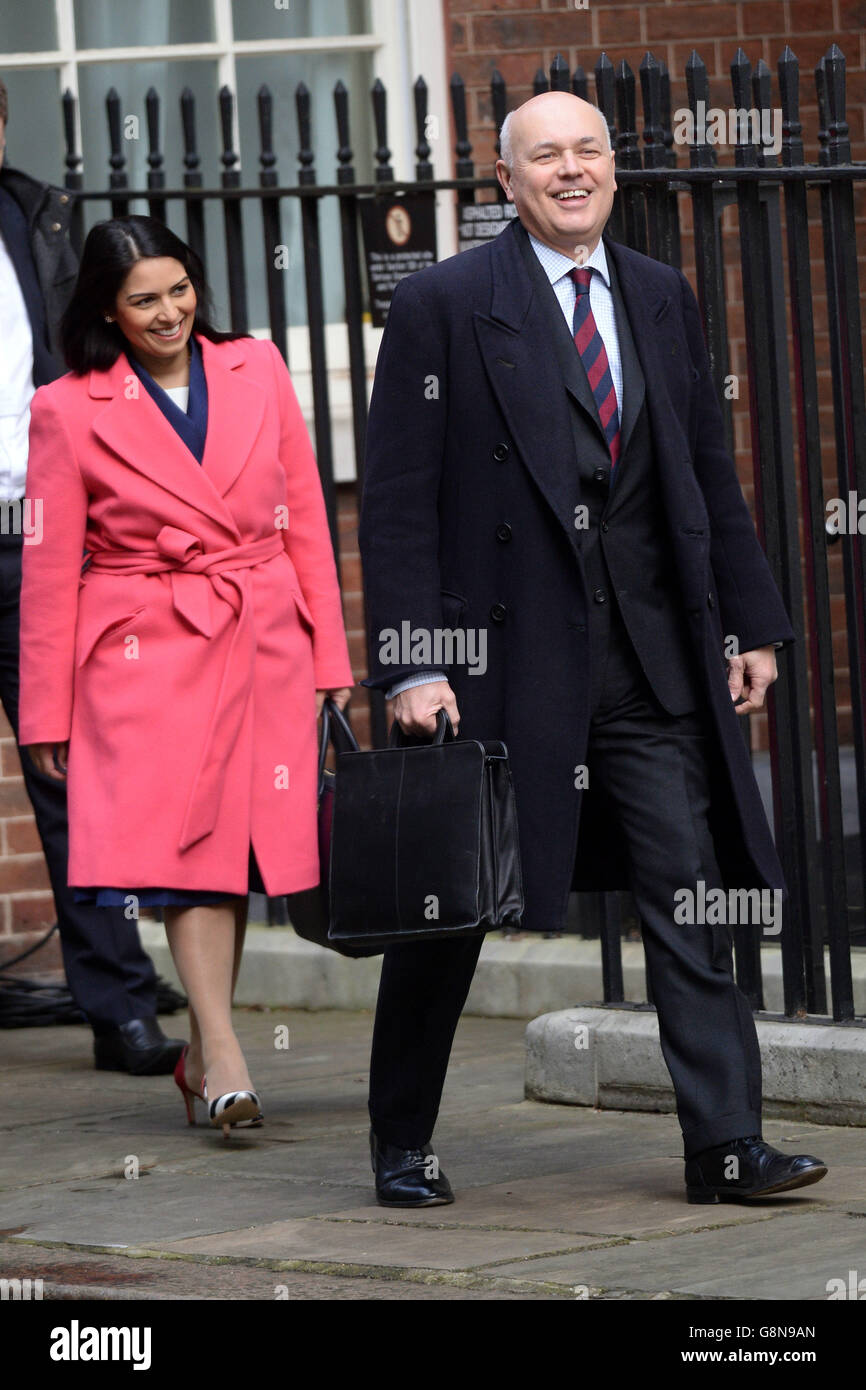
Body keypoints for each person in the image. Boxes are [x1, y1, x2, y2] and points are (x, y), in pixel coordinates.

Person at [358, 92, 827, 1206]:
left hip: (648, 659)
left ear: (612, 167)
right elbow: (395, 504)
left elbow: (706, 469)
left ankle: (723, 1143)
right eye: (545, 158)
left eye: (588, 152)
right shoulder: (442, 304)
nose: (570, 172)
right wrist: (414, 662)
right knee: (449, 911)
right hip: (499, 668)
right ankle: (402, 1146)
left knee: (687, 892)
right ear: (504, 182)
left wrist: (748, 621)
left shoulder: (660, 294)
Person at [19, 214, 353, 1135]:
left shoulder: (259, 368)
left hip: (261, 634)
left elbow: (308, 520)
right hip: (145, 648)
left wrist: (330, 655)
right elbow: (49, 570)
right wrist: (45, 709)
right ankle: (228, 1054)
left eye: (178, 290)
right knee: (183, 854)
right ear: (108, 311)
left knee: (236, 853)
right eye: (142, 300)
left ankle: (203, 1052)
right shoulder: (65, 407)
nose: (168, 313)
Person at [0, 76, 184, 1074]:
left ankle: (117, 1007)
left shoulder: (41, 217)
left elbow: (92, 357)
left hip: (32, 542)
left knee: (69, 775)